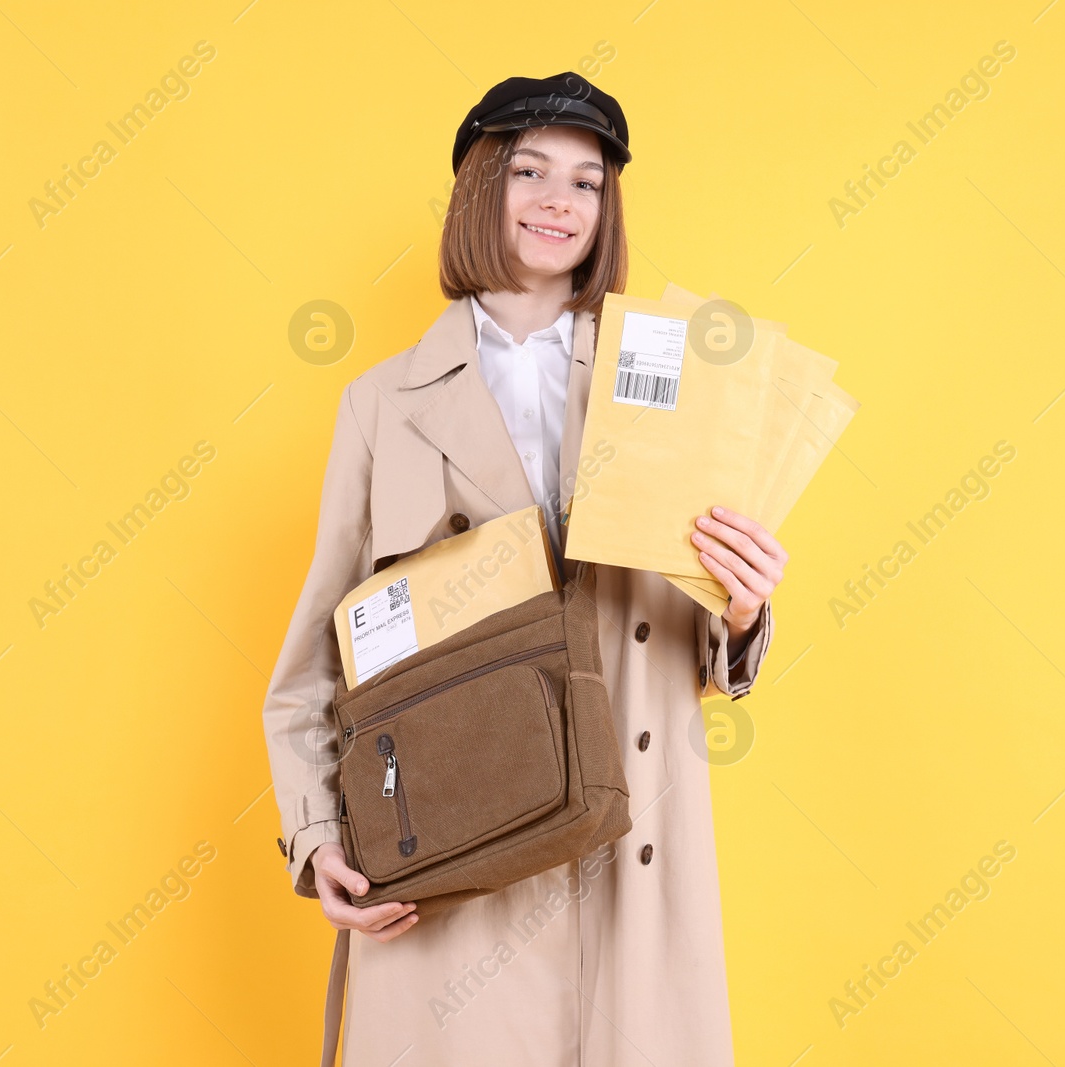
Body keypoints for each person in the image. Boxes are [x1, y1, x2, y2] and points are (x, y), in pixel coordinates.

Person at [262, 71, 786, 1067]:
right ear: (476, 191)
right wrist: (316, 832)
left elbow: (708, 642)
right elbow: (314, 665)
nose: (559, 200)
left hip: (631, 856)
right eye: (530, 170)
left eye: (587, 183)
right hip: (458, 859)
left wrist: (746, 601)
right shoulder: (381, 403)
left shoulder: (671, 382)